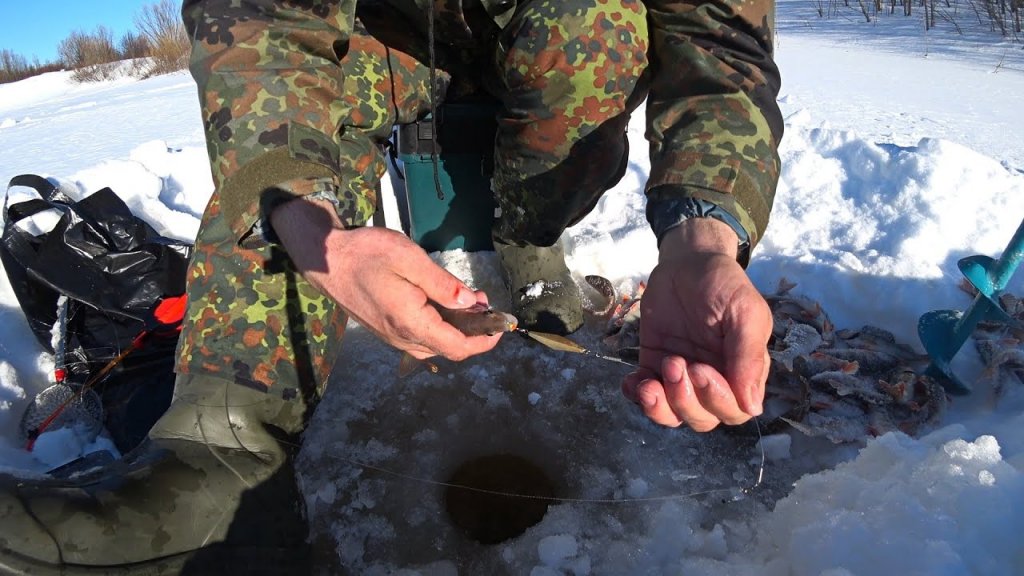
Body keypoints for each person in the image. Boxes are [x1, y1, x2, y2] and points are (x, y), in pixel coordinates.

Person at [0, 0, 781, 573]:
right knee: (282, 167)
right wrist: (316, 230)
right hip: (382, 41)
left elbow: (718, 45)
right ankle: (224, 448)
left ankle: (528, 237)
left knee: (597, 25)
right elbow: (256, 29)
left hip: (560, 48)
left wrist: (702, 238)